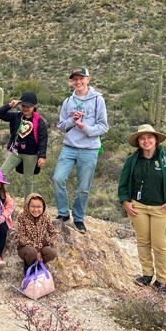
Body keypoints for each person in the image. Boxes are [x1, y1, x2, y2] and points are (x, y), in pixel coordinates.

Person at [118, 124, 166, 294]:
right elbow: (123, 184)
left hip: (161, 209)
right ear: (138, 141)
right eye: (142, 138)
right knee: (143, 242)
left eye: (149, 137)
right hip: (138, 208)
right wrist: (125, 201)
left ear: (156, 140)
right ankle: (147, 275)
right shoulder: (132, 160)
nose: (146, 141)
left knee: (160, 246)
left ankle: (162, 281)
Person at [53, 66, 109, 234]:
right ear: (72, 81)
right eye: (75, 79)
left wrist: (86, 128)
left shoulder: (98, 99)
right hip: (69, 147)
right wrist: (72, 120)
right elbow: (62, 126)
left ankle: (78, 218)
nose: (78, 82)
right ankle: (63, 213)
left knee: (83, 187)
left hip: (89, 149)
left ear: (88, 80)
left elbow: (103, 126)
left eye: (81, 78)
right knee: (58, 178)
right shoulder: (68, 102)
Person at [0, 92, 48, 198]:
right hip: (16, 152)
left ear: (35, 106)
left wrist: (42, 156)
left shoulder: (39, 122)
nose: (25, 108)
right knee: (1, 174)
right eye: (23, 105)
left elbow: (43, 139)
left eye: (28, 106)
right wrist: (9, 105)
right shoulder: (16, 116)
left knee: (28, 179)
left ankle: (28, 203)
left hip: (31, 155)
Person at [15, 193, 59, 275]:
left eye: (39, 207)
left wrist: (45, 242)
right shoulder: (22, 217)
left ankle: (40, 264)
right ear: (27, 206)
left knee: (51, 253)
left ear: (43, 207)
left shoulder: (45, 217)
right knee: (32, 252)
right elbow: (21, 238)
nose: (36, 210)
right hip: (25, 248)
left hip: (41, 245)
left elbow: (54, 233)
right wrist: (37, 249)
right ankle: (29, 267)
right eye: (32, 206)